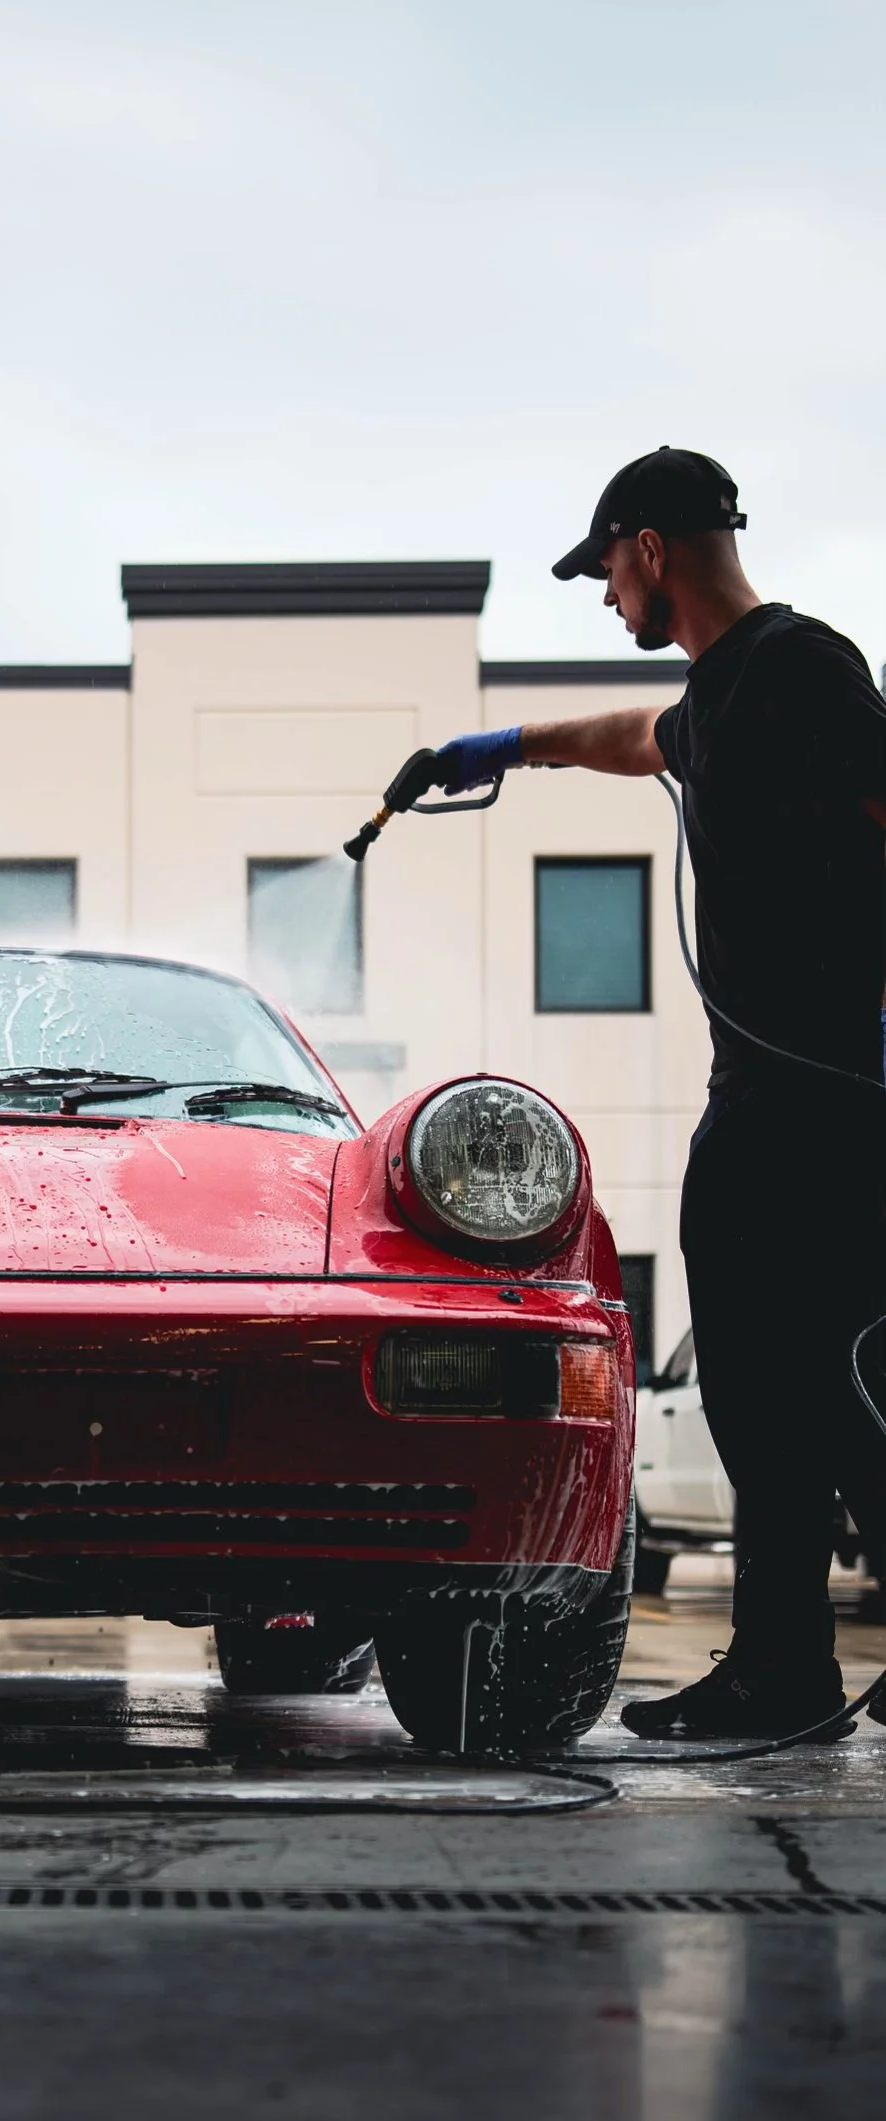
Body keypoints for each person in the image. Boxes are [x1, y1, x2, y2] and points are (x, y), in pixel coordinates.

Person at [434, 446, 886, 1738]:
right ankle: (784, 1665)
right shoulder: (716, 696)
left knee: (779, 1383)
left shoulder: (800, 665)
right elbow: (631, 737)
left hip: (815, 1094)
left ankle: (782, 1671)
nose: (603, 596)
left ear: (649, 548)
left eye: (604, 570)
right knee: (814, 1384)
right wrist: (506, 747)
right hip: (786, 1093)